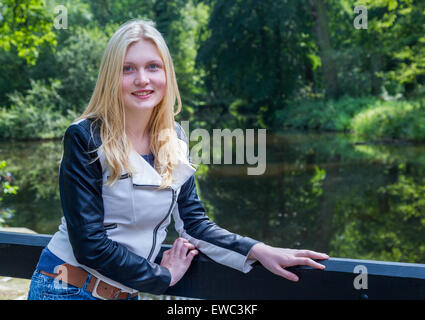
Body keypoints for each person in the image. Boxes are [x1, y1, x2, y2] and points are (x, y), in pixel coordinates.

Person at [27, 19, 329, 300]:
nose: (142, 79)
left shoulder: (175, 138)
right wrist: (162, 275)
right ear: (111, 76)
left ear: (166, 74)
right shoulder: (85, 137)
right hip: (66, 288)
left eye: (153, 67)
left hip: (126, 293)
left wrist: (258, 250)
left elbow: (194, 224)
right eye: (128, 69)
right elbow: (90, 245)